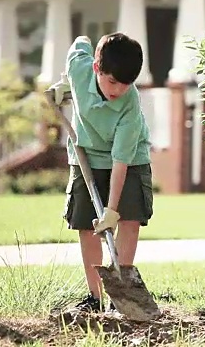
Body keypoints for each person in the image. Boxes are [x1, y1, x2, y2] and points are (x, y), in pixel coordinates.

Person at [53, 32, 154, 312]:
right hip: (86, 154)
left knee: (130, 221)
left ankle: (119, 298)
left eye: (126, 84)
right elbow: (81, 41)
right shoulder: (79, 67)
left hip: (130, 159)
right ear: (97, 68)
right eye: (112, 82)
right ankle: (95, 298)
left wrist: (111, 210)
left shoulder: (130, 103)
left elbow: (121, 160)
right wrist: (65, 81)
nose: (118, 90)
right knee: (86, 227)